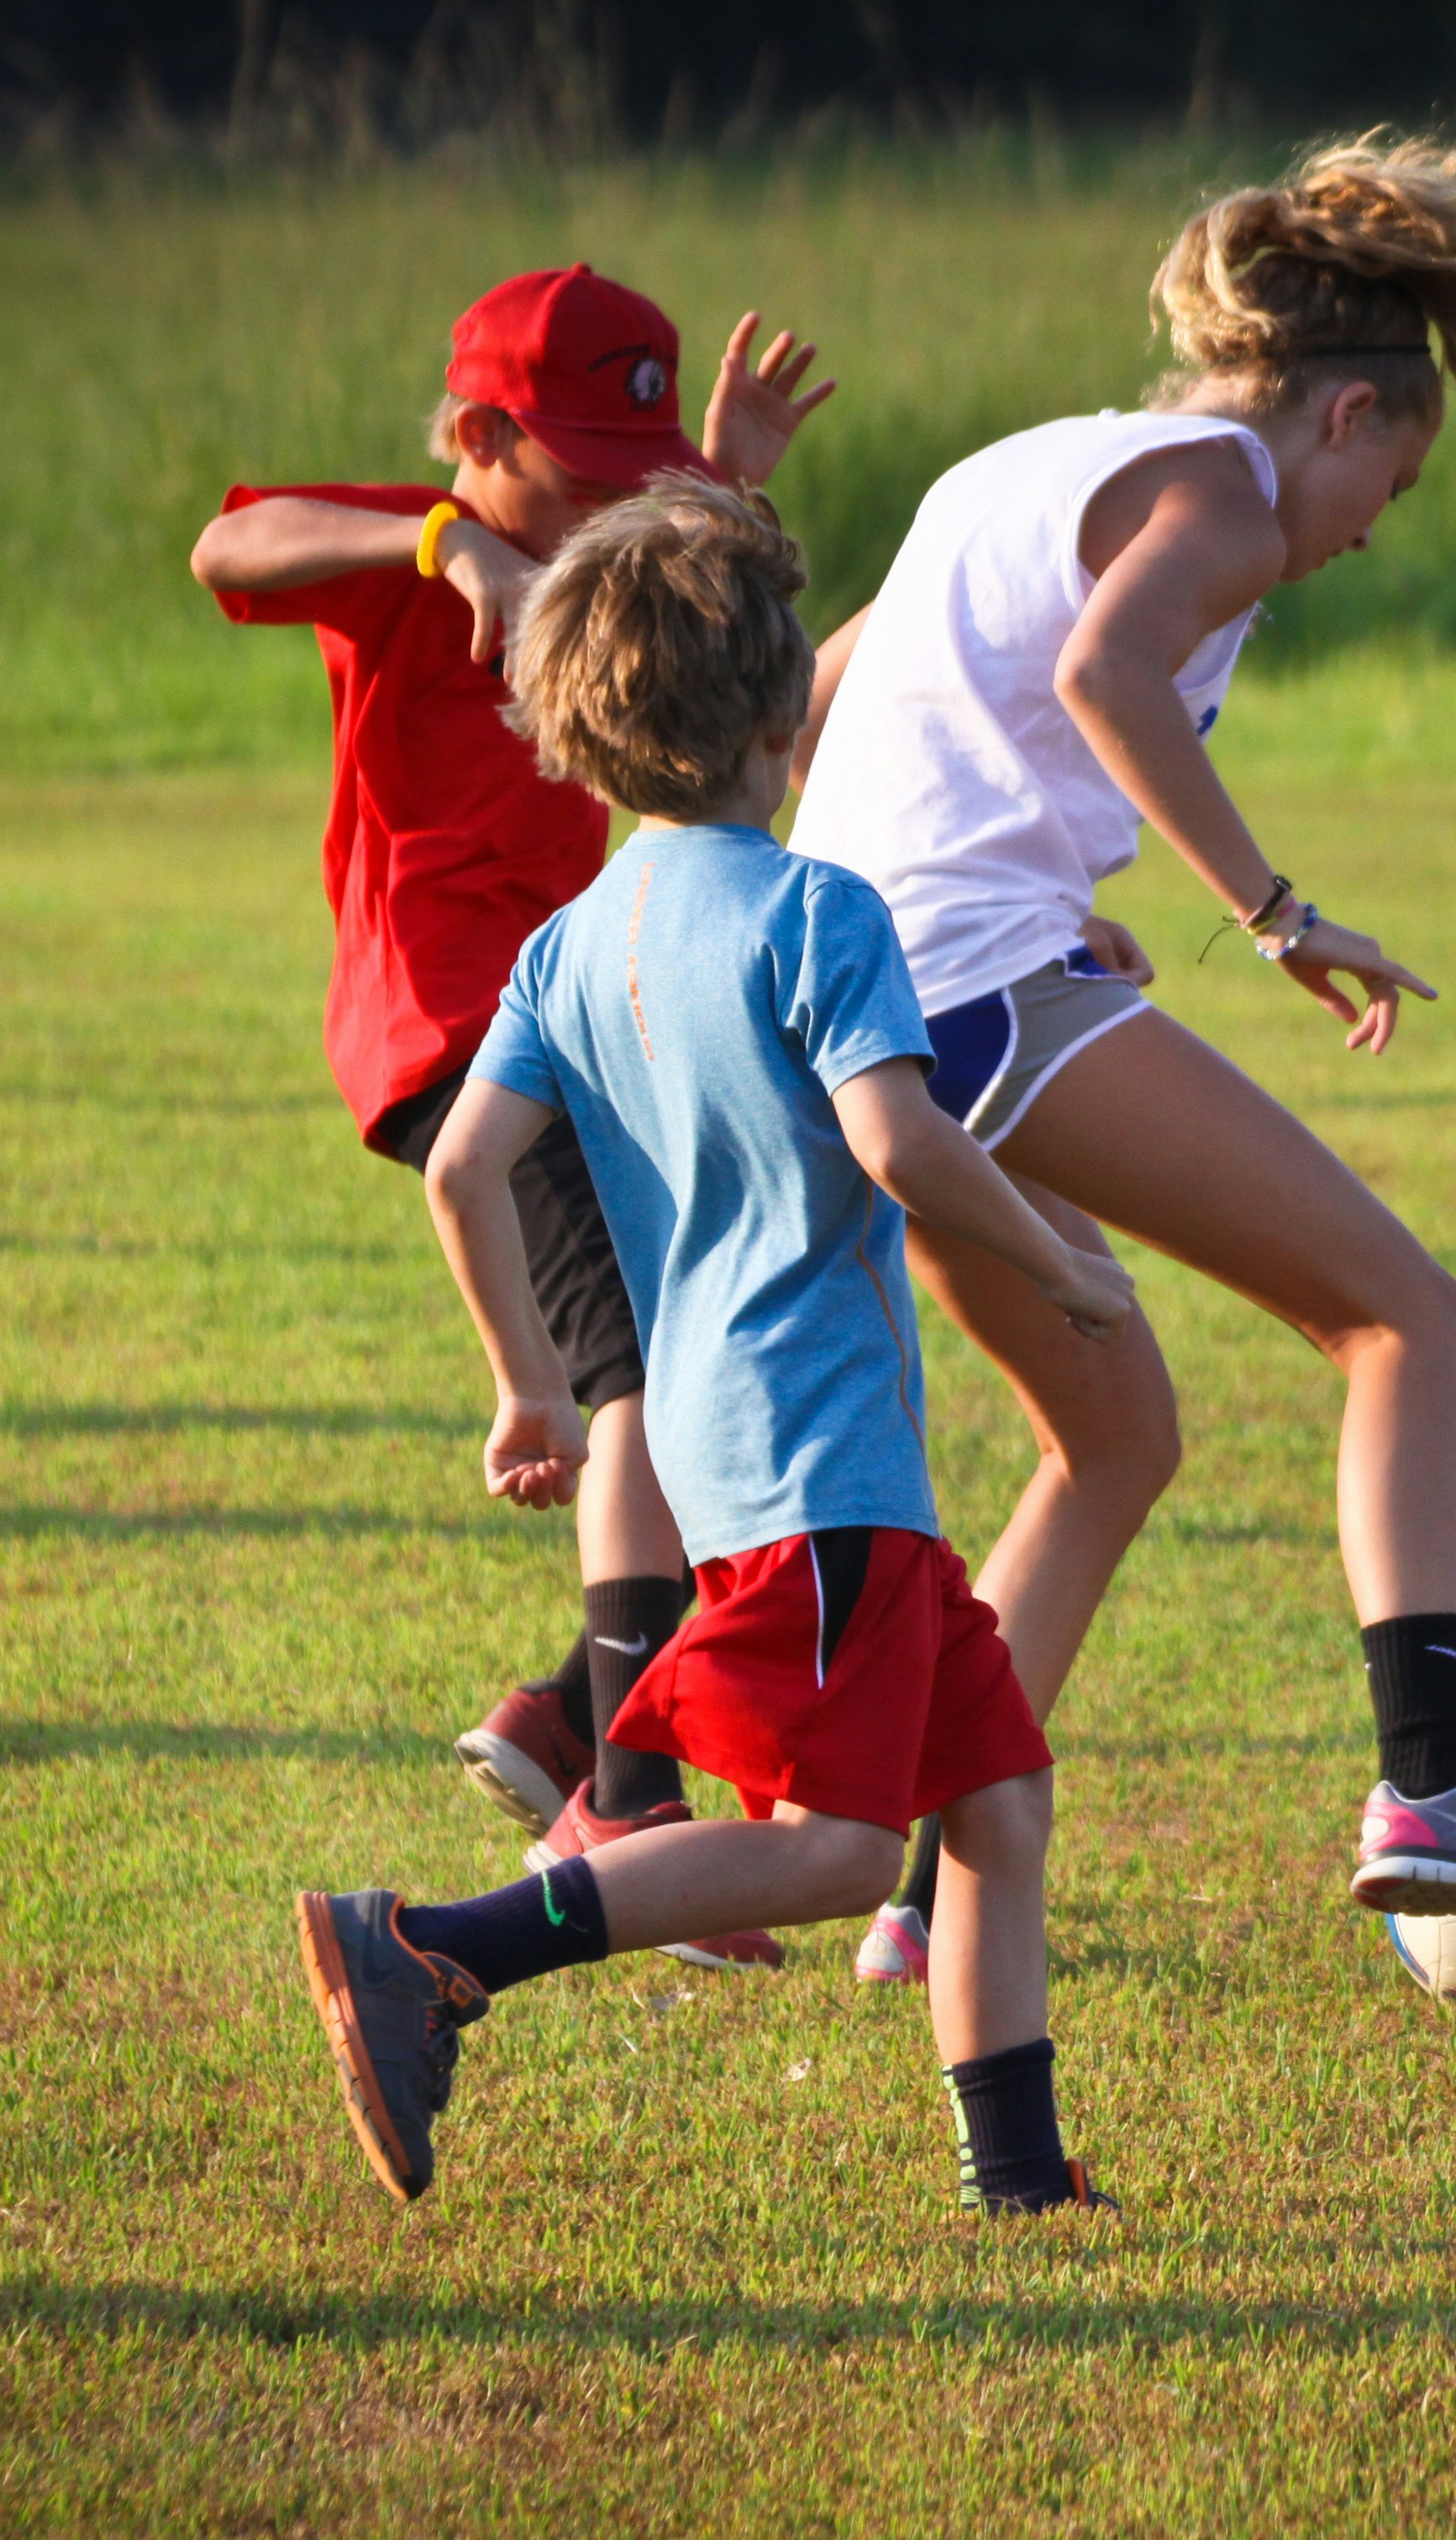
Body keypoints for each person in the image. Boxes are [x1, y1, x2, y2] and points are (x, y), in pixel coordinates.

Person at [789, 134, 1456, 1980]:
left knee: (1112, 1439)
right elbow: (1112, 677)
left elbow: (836, 692)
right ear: (1346, 412)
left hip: (873, 1006)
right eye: (1395, 483)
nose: (1366, 533)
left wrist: (1010, 887)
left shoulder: (1039, 460)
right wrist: (1274, 915)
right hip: (962, 1001)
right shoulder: (1227, 495)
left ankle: (921, 1898)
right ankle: (1432, 1786)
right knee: (1402, 1318)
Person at [295, 476, 1131, 2214]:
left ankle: (1023, 2185)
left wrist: (527, 1380)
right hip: (821, 1459)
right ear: (784, 717)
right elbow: (898, 1143)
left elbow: (465, 1168)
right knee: (832, 1855)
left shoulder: (566, 942)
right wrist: (1059, 1254)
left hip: (725, 1450)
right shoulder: (820, 911)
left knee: (995, 1799)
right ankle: (439, 1951)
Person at [192, 267, 833, 1964]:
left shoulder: (610, 550)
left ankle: (569, 1728)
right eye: (579, 469)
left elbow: (708, 644)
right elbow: (221, 550)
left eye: (643, 470)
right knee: (632, 1385)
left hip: (582, 1008)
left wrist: (731, 483)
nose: (615, 505)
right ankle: (624, 1801)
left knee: (703, 1367)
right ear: (475, 438)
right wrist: (442, 547)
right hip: (454, 1029)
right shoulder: (416, 554)